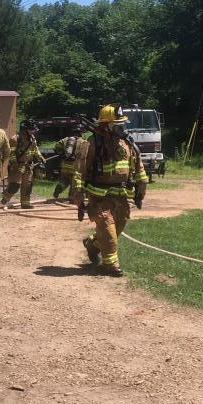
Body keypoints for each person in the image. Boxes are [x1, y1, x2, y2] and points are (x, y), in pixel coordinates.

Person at [73, 103, 148, 277]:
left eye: (123, 124)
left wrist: (141, 189)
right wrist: (79, 194)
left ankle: (92, 245)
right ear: (106, 126)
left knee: (118, 227)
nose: (122, 128)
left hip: (121, 195)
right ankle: (110, 264)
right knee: (108, 228)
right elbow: (79, 170)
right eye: (118, 124)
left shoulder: (127, 143)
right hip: (98, 196)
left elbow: (138, 167)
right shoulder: (91, 144)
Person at [1, 119, 45, 209]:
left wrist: (40, 157)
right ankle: (4, 199)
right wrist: (15, 165)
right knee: (15, 185)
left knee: (28, 185)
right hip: (17, 166)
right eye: (31, 129)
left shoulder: (32, 138)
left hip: (28, 166)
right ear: (25, 129)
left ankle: (25, 203)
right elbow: (11, 154)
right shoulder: (15, 139)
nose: (33, 131)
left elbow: (35, 150)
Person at [53, 123, 90, 201]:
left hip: (65, 165)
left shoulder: (66, 139)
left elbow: (56, 146)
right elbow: (86, 155)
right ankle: (71, 197)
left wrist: (62, 154)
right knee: (75, 183)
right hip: (76, 166)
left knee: (65, 179)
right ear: (81, 132)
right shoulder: (84, 142)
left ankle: (60, 187)